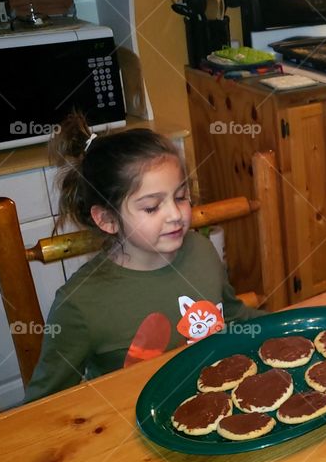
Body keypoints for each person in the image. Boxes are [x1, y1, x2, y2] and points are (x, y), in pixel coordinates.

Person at [25, 115, 257, 401]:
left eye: (181, 197)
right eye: (151, 207)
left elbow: (235, 318)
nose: (175, 215)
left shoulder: (201, 250)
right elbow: (45, 404)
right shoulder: (79, 305)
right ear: (107, 219)